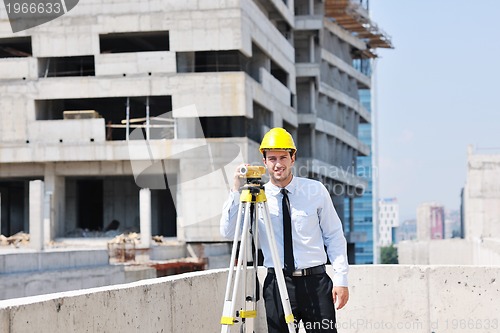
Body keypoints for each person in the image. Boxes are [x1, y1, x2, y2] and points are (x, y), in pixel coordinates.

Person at [220, 127, 349, 333]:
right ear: (264, 161)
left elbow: (333, 235)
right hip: (277, 285)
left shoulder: (315, 190)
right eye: (272, 158)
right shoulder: (256, 197)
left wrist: (341, 280)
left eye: (283, 157)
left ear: (293, 158)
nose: (278, 164)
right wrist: (236, 189)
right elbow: (228, 232)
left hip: (315, 283)